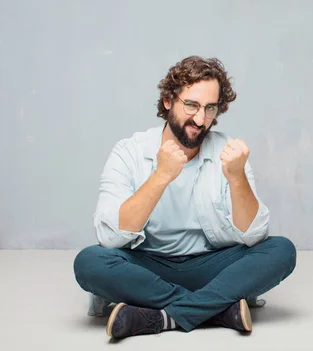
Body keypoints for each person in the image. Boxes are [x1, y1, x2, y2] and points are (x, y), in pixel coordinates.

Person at [73, 56, 296, 339]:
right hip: (147, 268)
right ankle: (216, 308)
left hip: (212, 266)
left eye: (210, 108)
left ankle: (162, 316)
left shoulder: (228, 152)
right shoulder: (128, 152)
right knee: (90, 262)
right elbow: (110, 238)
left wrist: (237, 177)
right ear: (168, 100)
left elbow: (254, 235)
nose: (200, 119)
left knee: (281, 250)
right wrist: (161, 176)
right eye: (191, 105)